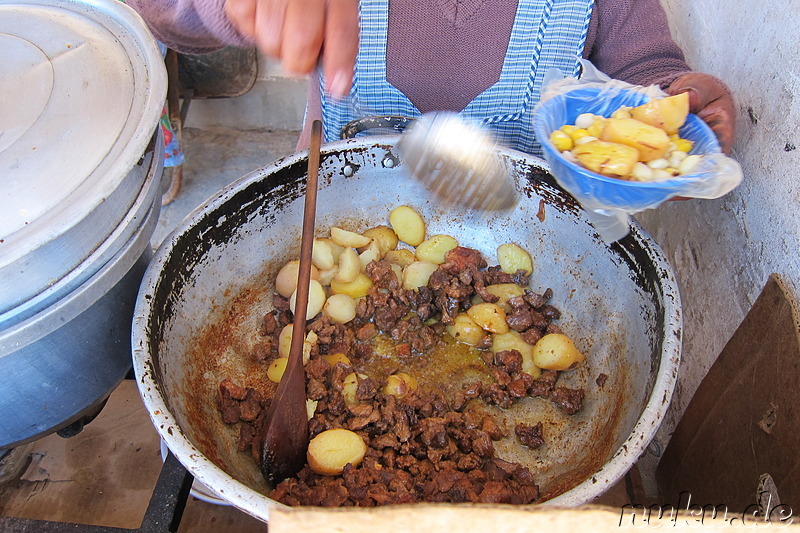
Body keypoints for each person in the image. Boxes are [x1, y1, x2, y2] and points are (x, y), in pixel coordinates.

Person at [127, 0, 735, 155]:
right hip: (340, 236)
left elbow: (651, 73)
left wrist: (680, 105)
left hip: (527, 259)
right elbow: (158, 16)